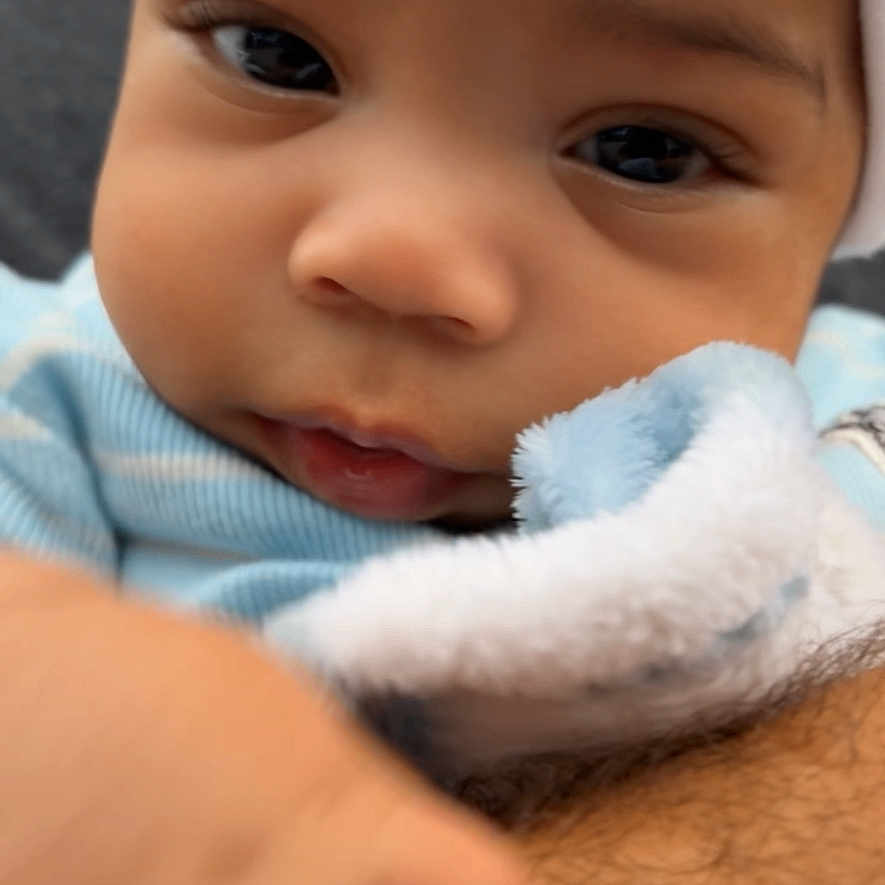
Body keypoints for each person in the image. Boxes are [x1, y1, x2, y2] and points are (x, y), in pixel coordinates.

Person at [1, 0, 884, 881]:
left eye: (643, 152)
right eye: (277, 58)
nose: (397, 259)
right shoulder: (36, 397)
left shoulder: (835, 437)